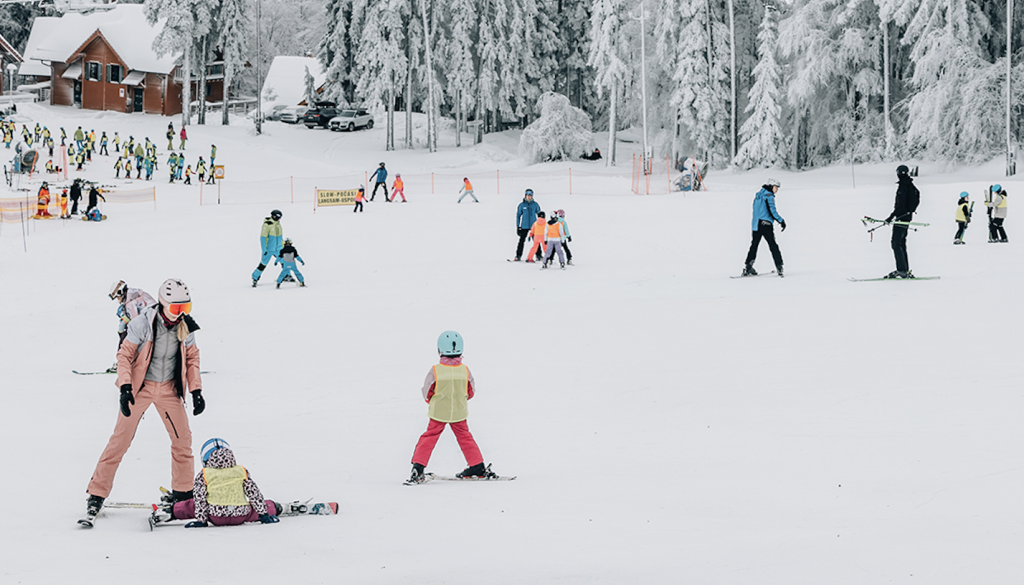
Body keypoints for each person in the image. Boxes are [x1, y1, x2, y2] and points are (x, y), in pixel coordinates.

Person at [83, 279, 206, 522]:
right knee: (120, 441)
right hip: (141, 388)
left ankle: (183, 494)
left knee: (183, 441)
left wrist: (196, 390)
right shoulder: (143, 323)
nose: (181, 314)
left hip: (169, 390)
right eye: (176, 308)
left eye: (186, 308)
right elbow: (125, 355)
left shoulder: (185, 327)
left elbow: (192, 358)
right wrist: (125, 387)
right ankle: (96, 493)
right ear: (163, 304)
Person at [408, 331, 496, 484]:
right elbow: (470, 391)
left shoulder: (435, 370)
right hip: (459, 411)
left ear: (439, 349)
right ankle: (477, 466)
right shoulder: (465, 370)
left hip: (438, 411)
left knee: (429, 437)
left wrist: (431, 401)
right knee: (465, 437)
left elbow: (427, 391)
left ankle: (418, 468)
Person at [150, 438, 280, 528]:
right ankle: (276, 507)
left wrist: (201, 520)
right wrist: (263, 515)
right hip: (240, 515)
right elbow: (254, 493)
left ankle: (171, 512)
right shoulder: (241, 471)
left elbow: (200, 498)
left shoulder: (205, 474)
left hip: (215, 516)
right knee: (253, 508)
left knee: (192, 505)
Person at [108, 280, 157, 372]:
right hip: (154, 322)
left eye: (118, 297)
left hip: (149, 325)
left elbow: (135, 323)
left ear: (121, 293)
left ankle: (122, 363)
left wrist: (123, 317)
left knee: (125, 336)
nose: (118, 300)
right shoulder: (136, 294)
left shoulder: (130, 303)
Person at [742, 179, 786, 277]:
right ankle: (779, 266)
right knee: (773, 245)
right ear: (771, 186)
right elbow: (772, 211)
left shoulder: (758, 195)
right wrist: (781, 221)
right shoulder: (769, 196)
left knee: (754, 245)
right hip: (766, 224)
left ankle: (748, 267)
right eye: (776, 187)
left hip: (756, 225)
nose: (777, 190)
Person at [883, 165, 920, 278]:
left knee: (896, 243)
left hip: (901, 218)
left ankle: (902, 270)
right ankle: (904, 269)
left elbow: (900, 205)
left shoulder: (903, 186)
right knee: (901, 243)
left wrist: (891, 217)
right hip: (907, 218)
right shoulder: (910, 185)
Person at [252, 209, 284, 286]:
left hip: (278, 248)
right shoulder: (267, 225)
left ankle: (287, 275)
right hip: (269, 249)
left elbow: (280, 237)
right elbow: (263, 238)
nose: (279, 219)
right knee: (263, 263)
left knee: (284, 261)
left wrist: (283, 246)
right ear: (274, 216)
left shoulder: (278, 225)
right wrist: (264, 250)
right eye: (278, 217)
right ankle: (255, 277)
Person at [514, 189, 542, 261]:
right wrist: (518, 226)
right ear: (525, 196)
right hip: (524, 226)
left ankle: (539, 255)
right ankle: (518, 255)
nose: (529, 197)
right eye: (527, 195)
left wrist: (540, 224)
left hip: (534, 226)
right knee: (521, 241)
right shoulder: (522, 205)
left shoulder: (535, 204)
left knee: (536, 241)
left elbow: (540, 215)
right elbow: (518, 216)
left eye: (530, 196)